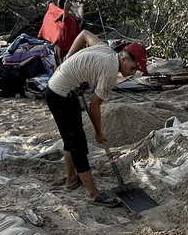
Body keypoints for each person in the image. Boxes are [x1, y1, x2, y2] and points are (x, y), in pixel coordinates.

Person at [45, 41, 148, 205]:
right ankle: (91, 193)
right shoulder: (109, 71)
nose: (132, 73)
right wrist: (99, 133)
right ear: (123, 58)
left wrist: (68, 57)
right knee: (77, 143)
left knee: (71, 139)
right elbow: (94, 106)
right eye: (133, 68)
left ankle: (72, 179)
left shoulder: (106, 49)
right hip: (60, 95)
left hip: (61, 90)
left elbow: (84, 34)